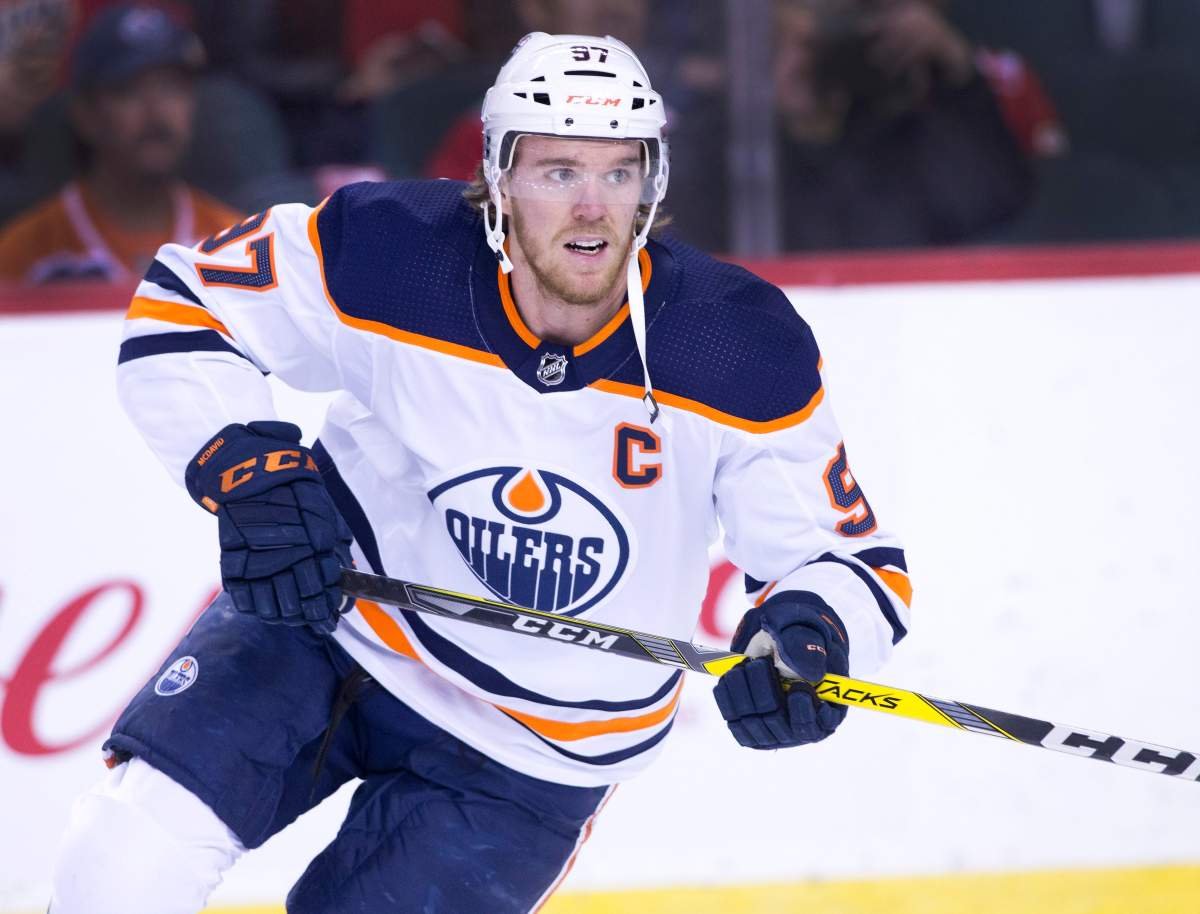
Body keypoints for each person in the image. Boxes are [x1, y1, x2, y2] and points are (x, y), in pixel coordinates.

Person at [49, 32, 911, 914]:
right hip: (329, 623)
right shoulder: (389, 252)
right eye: (557, 172)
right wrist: (252, 476)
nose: (592, 209)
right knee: (121, 863)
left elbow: (846, 561)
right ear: (497, 177)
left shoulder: (734, 342)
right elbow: (187, 305)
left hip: (540, 750)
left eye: (620, 173)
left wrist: (811, 639)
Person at [668, 0, 1034, 252]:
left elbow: (994, 203)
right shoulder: (718, 160)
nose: (799, 60)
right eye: (778, 44)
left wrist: (956, 70)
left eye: (812, 45)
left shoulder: (901, 137)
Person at [0, 5, 240, 284]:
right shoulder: (25, 254)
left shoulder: (233, 242)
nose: (156, 111)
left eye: (171, 87)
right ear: (86, 113)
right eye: (128, 89)